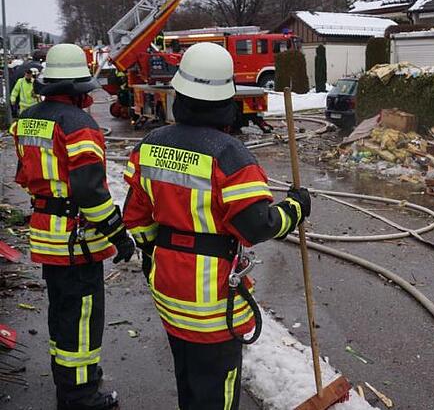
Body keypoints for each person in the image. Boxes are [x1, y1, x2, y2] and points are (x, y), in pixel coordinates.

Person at [122, 42, 311, 410]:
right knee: (215, 393)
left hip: (168, 292)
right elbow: (256, 226)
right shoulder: (230, 155)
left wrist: (154, 253)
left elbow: (136, 217)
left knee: (188, 382)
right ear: (226, 99)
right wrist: (295, 208)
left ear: (180, 93)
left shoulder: (149, 146)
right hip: (211, 304)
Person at [9, 43, 135, 410]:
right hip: (75, 240)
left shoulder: (27, 119)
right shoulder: (79, 126)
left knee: (62, 312)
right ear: (79, 88)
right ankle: (80, 394)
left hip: (46, 233)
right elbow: (90, 192)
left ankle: (68, 380)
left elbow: (25, 176)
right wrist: (118, 235)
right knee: (82, 319)